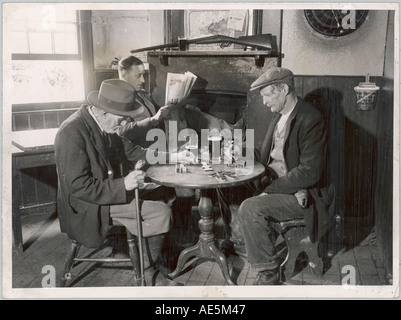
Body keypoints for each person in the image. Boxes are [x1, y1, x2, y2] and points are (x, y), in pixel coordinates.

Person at [55, 79, 189, 286]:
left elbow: (135, 152)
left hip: (105, 191)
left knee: (163, 193)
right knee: (160, 212)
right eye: (121, 120)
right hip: (88, 205)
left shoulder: (104, 124)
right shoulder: (71, 133)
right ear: (102, 112)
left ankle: (152, 258)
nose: (123, 125)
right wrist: (123, 185)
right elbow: (78, 186)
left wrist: (173, 156)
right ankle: (149, 271)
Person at [238, 67, 335, 285]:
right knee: (224, 186)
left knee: (250, 208)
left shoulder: (311, 118)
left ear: (283, 89)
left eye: (266, 95)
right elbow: (271, 155)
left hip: (307, 195)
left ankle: (269, 270)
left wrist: (268, 191)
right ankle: (242, 239)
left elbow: (309, 172)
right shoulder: (280, 115)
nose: (264, 102)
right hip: (276, 181)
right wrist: (239, 152)